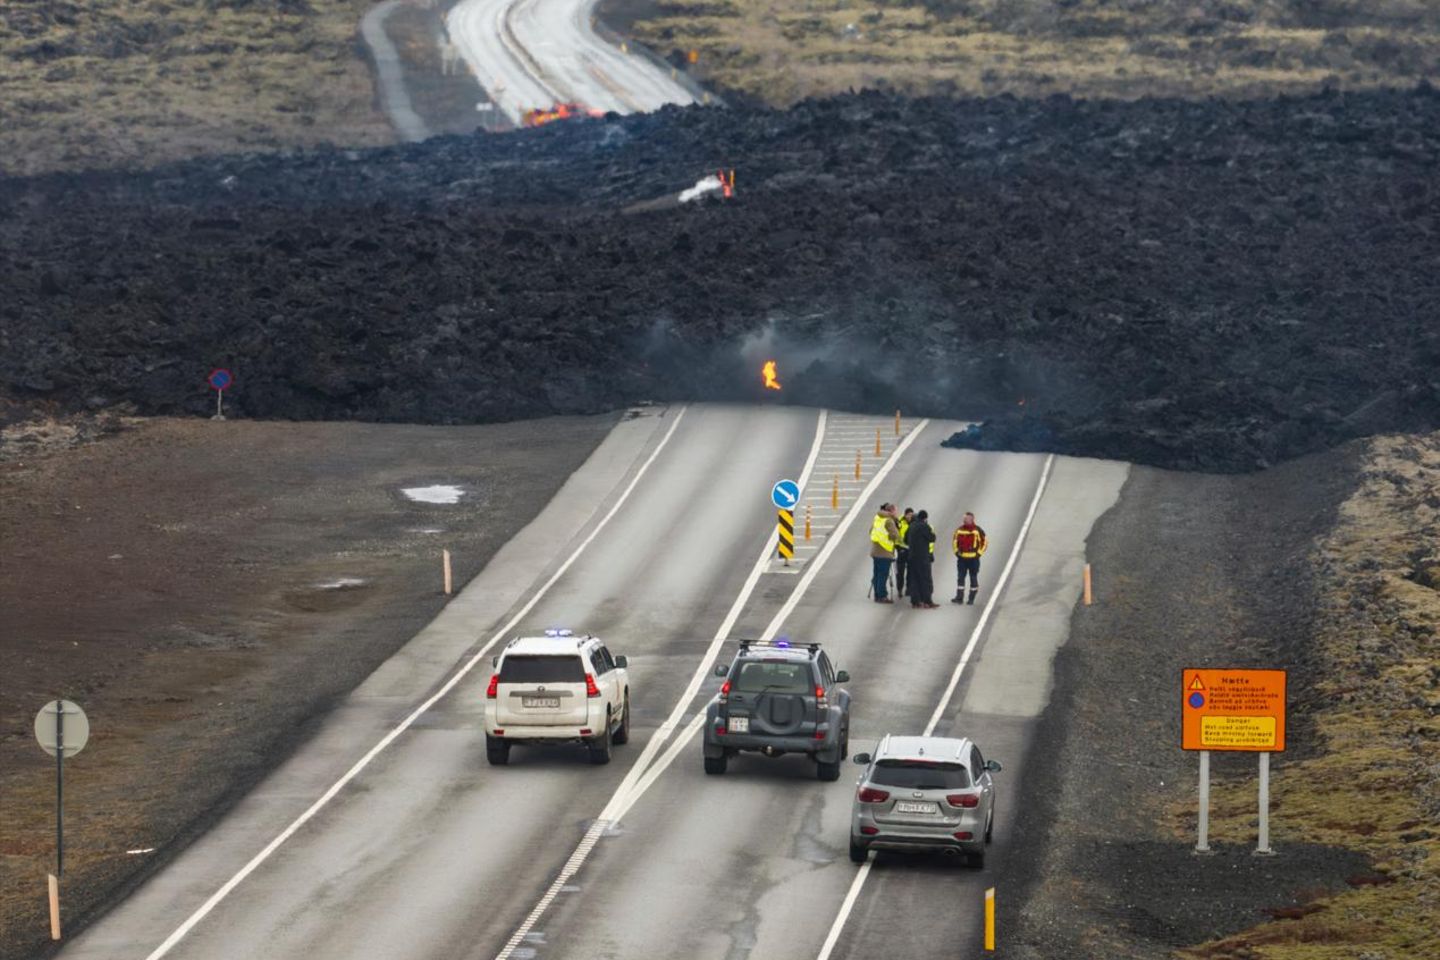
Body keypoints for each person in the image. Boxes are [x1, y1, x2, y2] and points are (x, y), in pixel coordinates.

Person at [951, 511, 989, 605]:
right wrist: (956, 552)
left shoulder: (977, 530)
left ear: (972, 519)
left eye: (966, 518)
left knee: (973, 578)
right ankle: (959, 597)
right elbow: (954, 541)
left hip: (973, 559)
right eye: (964, 518)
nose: (964, 520)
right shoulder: (959, 530)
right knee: (960, 578)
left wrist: (978, 554)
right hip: (962, 559)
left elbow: (985, 542)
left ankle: (971, 599)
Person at [905, 509, 938, 608]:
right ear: (925, 518)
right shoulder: (924, 526)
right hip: (923, 557)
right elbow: (932, 538)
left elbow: (905, 540)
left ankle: (915, 601)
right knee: (925, 579)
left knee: (914, 579)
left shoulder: (911, 526)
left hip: (912, 557)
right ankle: (927, 601)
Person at [869, 503, 900, 603]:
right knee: (883, 575)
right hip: (885, 552)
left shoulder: (878, 518)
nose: (897, 513)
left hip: (875, 550)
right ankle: (882, 595)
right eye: (896, 511)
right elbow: (895, 535)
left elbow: (871, 531)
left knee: (877, 574)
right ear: (891, 511)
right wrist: (891, 538)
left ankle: (877, 594)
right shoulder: (889, 521)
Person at [894, 507, 915, 597]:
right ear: (905, 515)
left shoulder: (914, 523)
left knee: (911, 571)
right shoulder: (899, 522)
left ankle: (909, 589)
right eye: (909, 515)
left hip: (911, 550)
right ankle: (899, 588)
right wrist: (897, 547)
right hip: (901, 549)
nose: (910, 517)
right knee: (900, 571)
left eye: (911, 515)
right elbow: (895, 534)